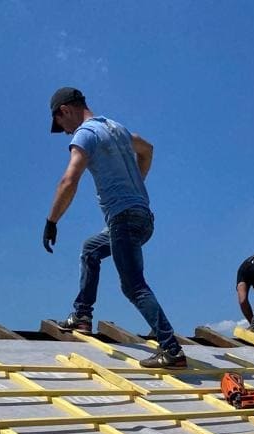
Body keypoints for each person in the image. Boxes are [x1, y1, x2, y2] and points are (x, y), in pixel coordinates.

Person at [44, 87, 186, 369]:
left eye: (61, 125)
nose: (64, 132)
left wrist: (52, 221)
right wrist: (137, 184)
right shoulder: (117, 129)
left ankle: (171, 350)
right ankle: (82, 316)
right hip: (143, 218)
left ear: (65, 111)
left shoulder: (85, 134)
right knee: (91, 250)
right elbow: (147, 150)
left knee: (134, 286)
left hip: (123, 219)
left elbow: (68, 181)